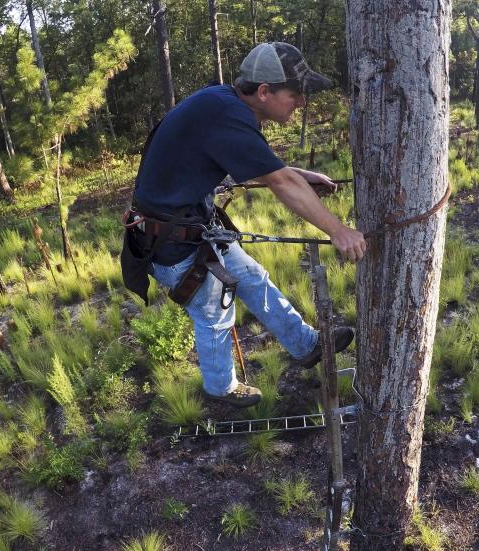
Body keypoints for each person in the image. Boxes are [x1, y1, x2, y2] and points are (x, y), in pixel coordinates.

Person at [122, 42, 366, 408]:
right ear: (264, 91)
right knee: (215, 313)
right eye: (295, 94)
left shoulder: (224, 103)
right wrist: (339, 230)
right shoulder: (226, 113)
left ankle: (307, 345)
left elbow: (266, 169)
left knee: (252, 278)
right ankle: (221, 391)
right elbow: (280, 183)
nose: (301, 103)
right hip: (172, 244)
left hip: (191, 228)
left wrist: (299, 174)